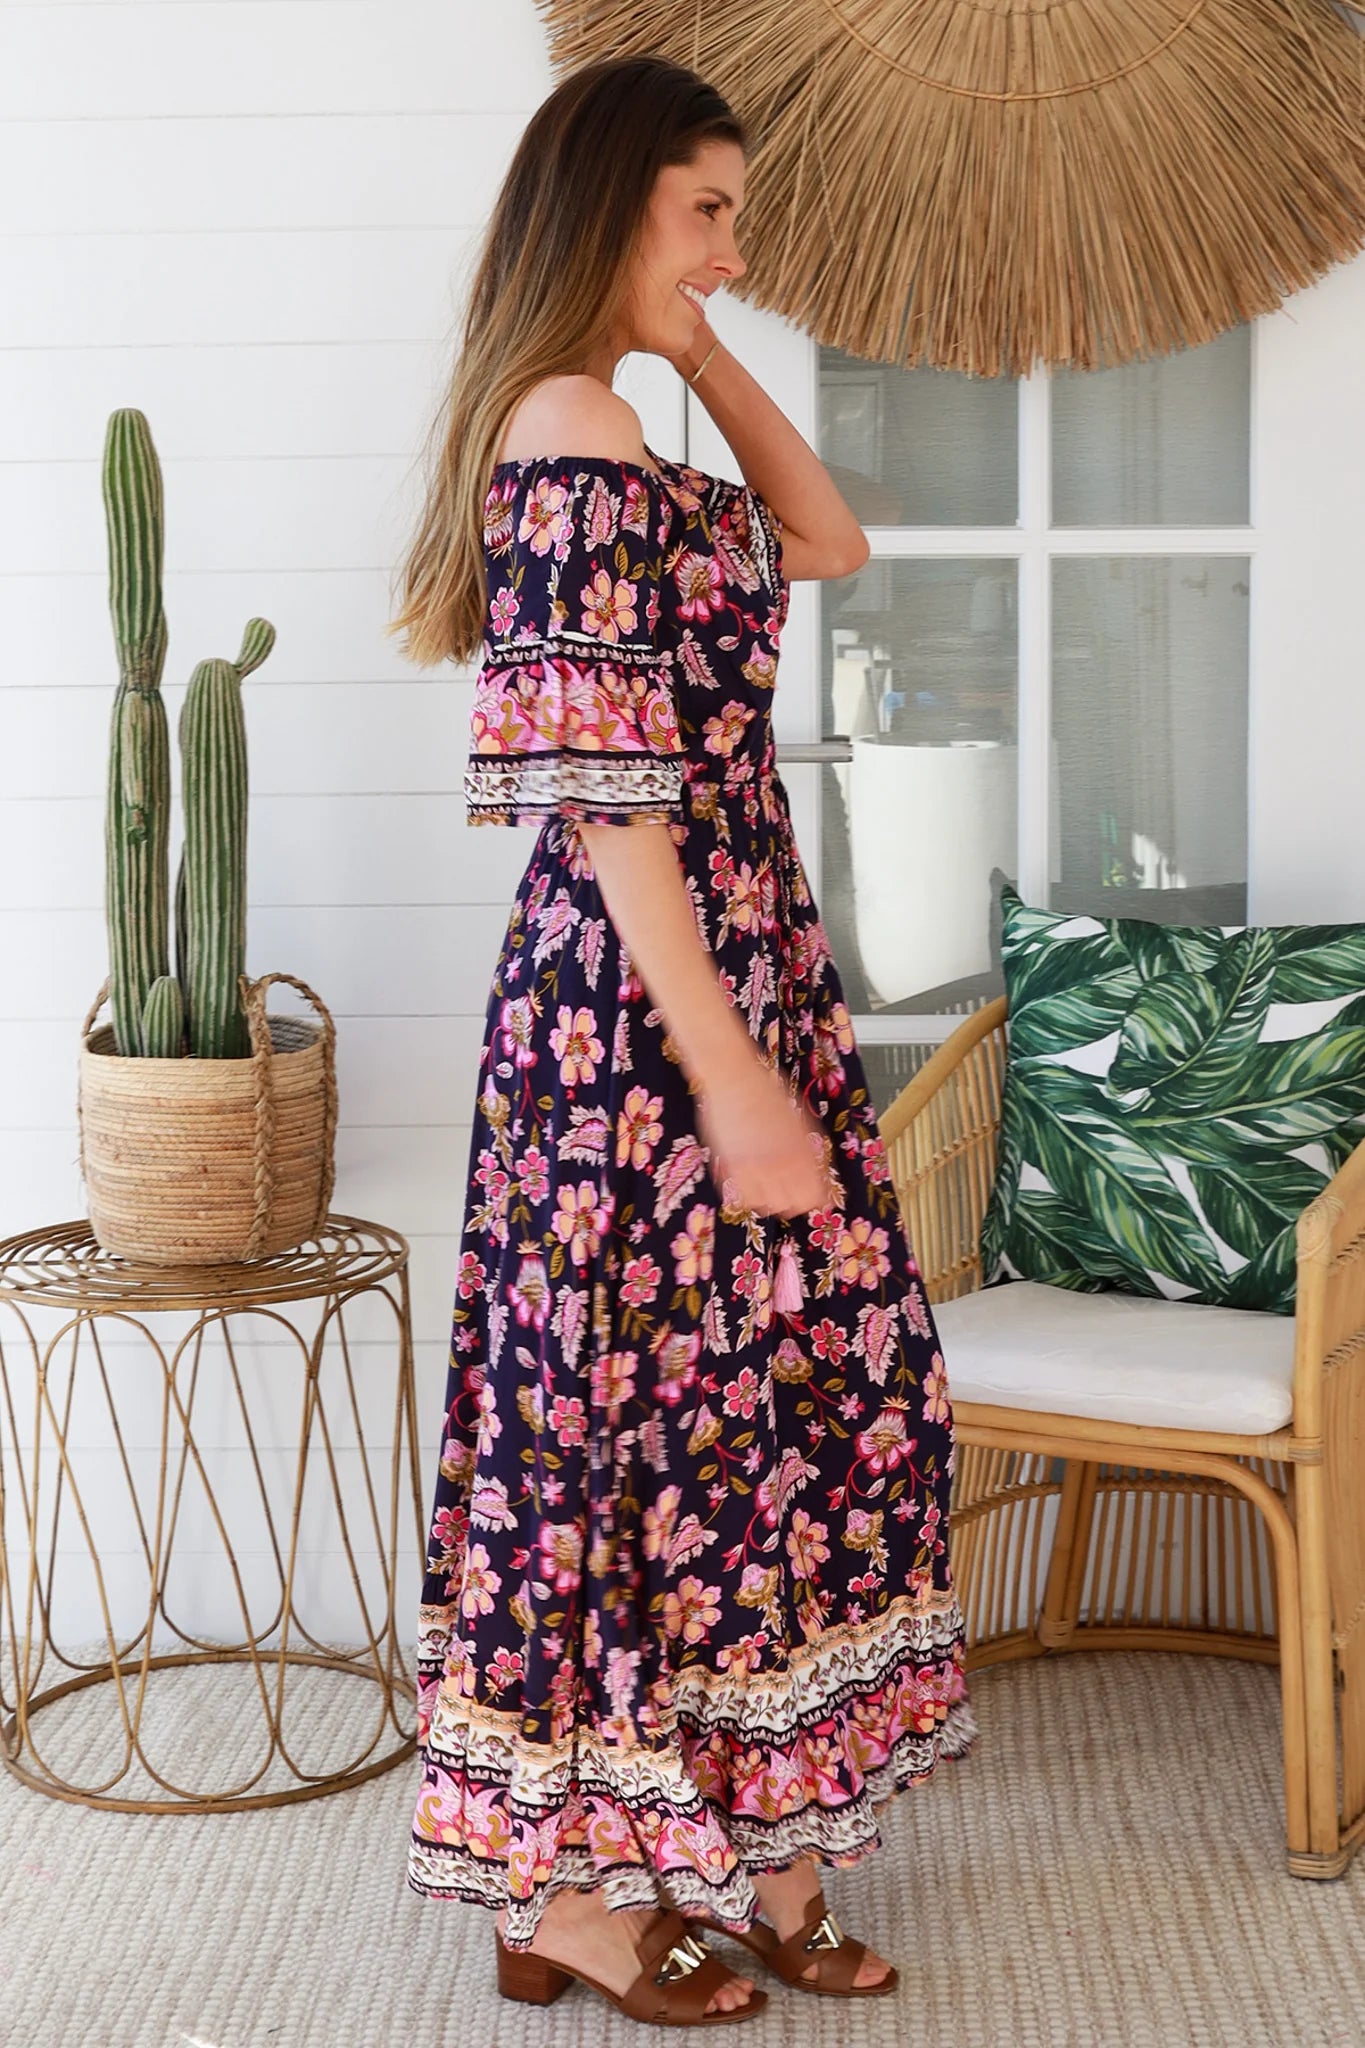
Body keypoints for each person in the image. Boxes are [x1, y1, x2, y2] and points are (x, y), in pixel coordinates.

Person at [388, 51, 977, 2028]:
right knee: (646, 1437)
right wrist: (726, 1078)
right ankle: (579, 1894)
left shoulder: (622, 420)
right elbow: (607, 796)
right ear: (605, 201)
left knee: (777, 1408)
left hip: (732, 978)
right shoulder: (561, 431)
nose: (735, 244)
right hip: (642, 1022)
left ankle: (751, 1842)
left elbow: (824, 549)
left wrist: (703, 344)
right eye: (703, 213)